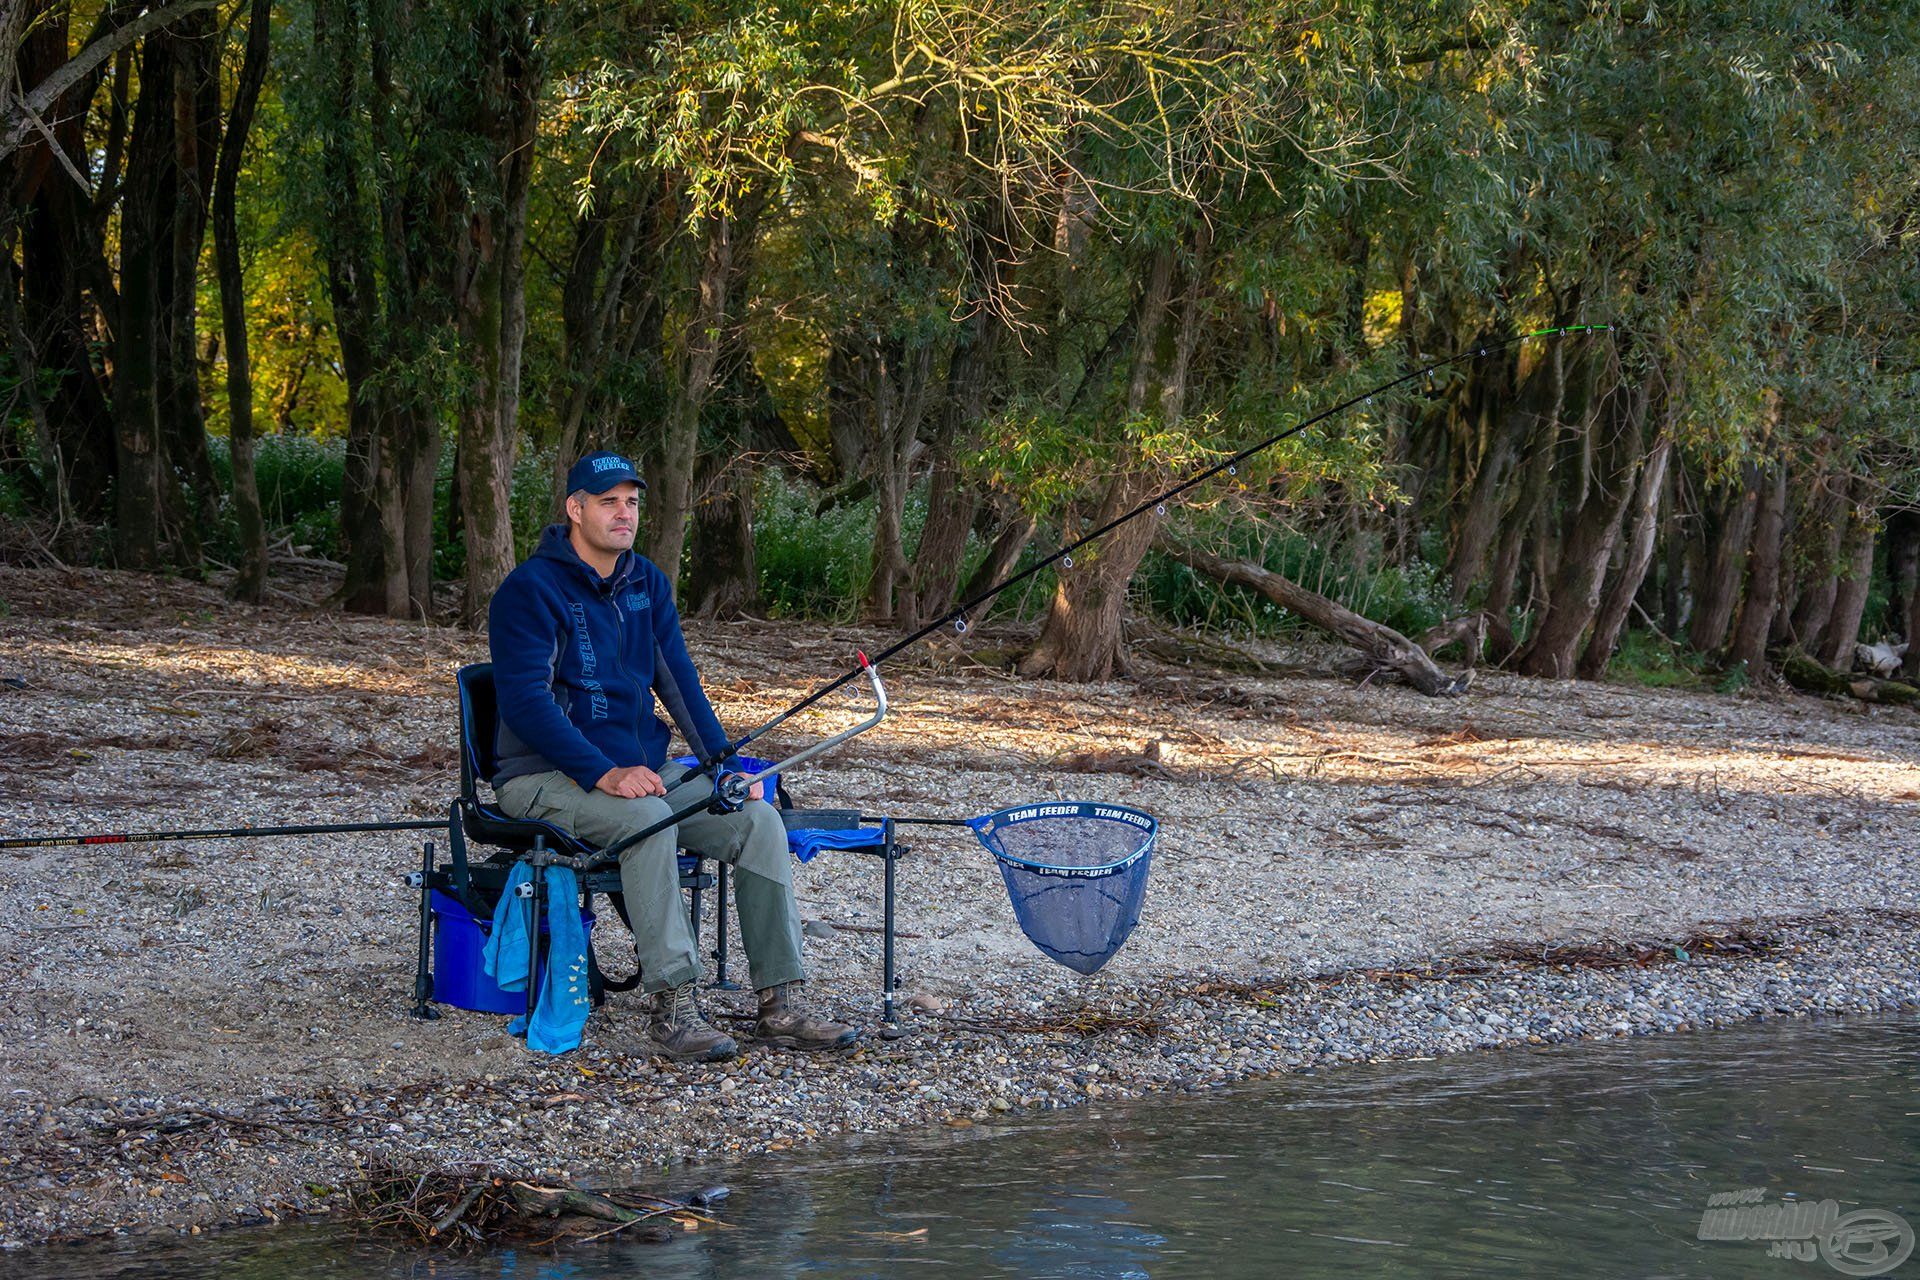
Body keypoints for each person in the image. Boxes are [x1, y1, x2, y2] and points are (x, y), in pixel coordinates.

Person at [486, 450, 857, 1061]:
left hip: (641, 774)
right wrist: (602, 772)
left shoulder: (646, 582)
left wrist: (726, 765)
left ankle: (780, 1003)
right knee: (647, 821)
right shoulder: (530, 591)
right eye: (608, 502)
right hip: (542, 776)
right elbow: (526, 704)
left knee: (756, 820)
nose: (623, 513)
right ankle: (674, 1007)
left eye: (632, 502)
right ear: (575, 510)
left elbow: (678, 681)